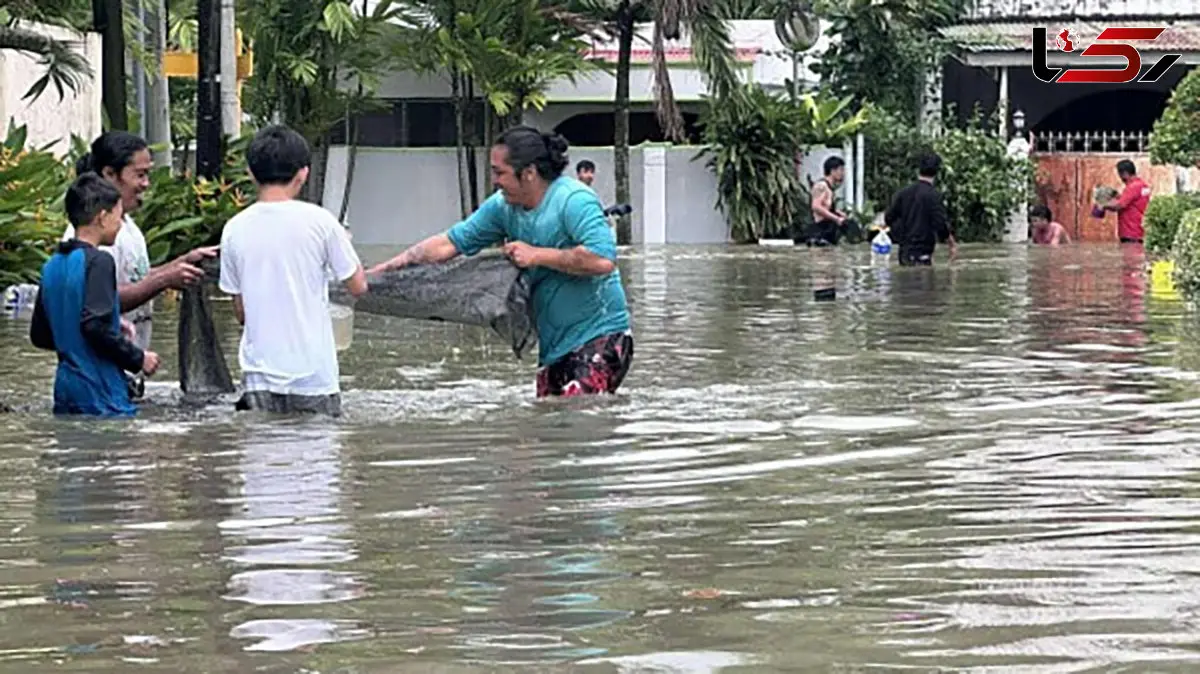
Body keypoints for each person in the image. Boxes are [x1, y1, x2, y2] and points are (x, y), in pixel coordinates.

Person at [367, 125, 633, 398]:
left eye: (499, 172)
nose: (495, 179)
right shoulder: (503, 207)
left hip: (602, 336)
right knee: (550, 428)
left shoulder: (574, 200)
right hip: (554, 348)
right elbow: (448, 244)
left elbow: (603, 259)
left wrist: (537, 255)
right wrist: (374, 276)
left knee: (578, 414)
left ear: (529, 173)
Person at [218, 125, 368, 417]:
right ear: (303, 173)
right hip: (314, 377)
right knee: (315, 458)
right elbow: (358, 285)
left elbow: (241, 313)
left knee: (263, 457)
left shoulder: (234, 229)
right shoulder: (321, 223)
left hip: (259, 378)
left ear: (250, 172)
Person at [64, 131, 216, 398]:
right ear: (110, 174)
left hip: (121, 377)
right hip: (102, 378)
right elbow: (99, 302)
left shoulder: (126, 226)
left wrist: (180, 264)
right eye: (140, 174)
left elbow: (134, 278)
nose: (146, 183)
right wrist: (165, 280)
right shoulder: (94, 236)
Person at [30, 173, 161, 417]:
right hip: (100, 388)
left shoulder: (52, 265)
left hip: (65, 388)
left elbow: (40, 335)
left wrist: (108, 324)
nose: (121, 224)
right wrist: (138, 358)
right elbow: (94, 326)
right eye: (118, 216)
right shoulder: (99, 261)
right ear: (102, 217)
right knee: (112, 450)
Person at [884, 152, 957, 266]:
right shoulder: (934, 196)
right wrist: (951, 243)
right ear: (937, 172)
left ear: (919, 169)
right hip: (923, 252)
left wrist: (900, 234)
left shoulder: (903, 193)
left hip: (904, 252)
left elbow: (888, 218)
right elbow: (940, 224)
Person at [1103, 159, 1151, 243]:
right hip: (1139, 231)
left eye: (1120, 174)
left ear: (1124, 173)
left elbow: (1119, 206)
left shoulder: (1132, 187)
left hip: (1130, 233)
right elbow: (1133, 202)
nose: (1120, 178)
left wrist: (1102, 205)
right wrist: (1117, 195)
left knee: (1129, 255)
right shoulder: (1143, 185)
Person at [806, 156, 848, 246]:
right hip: (819, 232)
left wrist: (837, 212)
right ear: (832, 171)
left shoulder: (830, 188)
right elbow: (816, 206)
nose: (843, 173)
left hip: (828, 231)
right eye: (841, 170)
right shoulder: (821, 186)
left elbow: (825, 207)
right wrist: (836, 219)